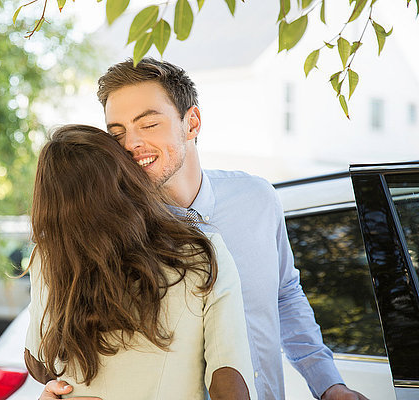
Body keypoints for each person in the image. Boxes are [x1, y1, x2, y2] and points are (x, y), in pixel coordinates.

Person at [40, 59, 369, 400]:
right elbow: (66, 329)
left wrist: (330, 385)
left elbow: (285, 295)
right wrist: (57, 383)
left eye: (149, 124)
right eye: (117, 133)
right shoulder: (110, 232)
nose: (130, 144)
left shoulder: (257, 199)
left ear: (192, 122)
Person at [24, 124, 258, 400]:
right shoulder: (200, 254)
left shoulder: (49, 257)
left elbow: (39, 364)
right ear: (125, 177)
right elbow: (230, 380)